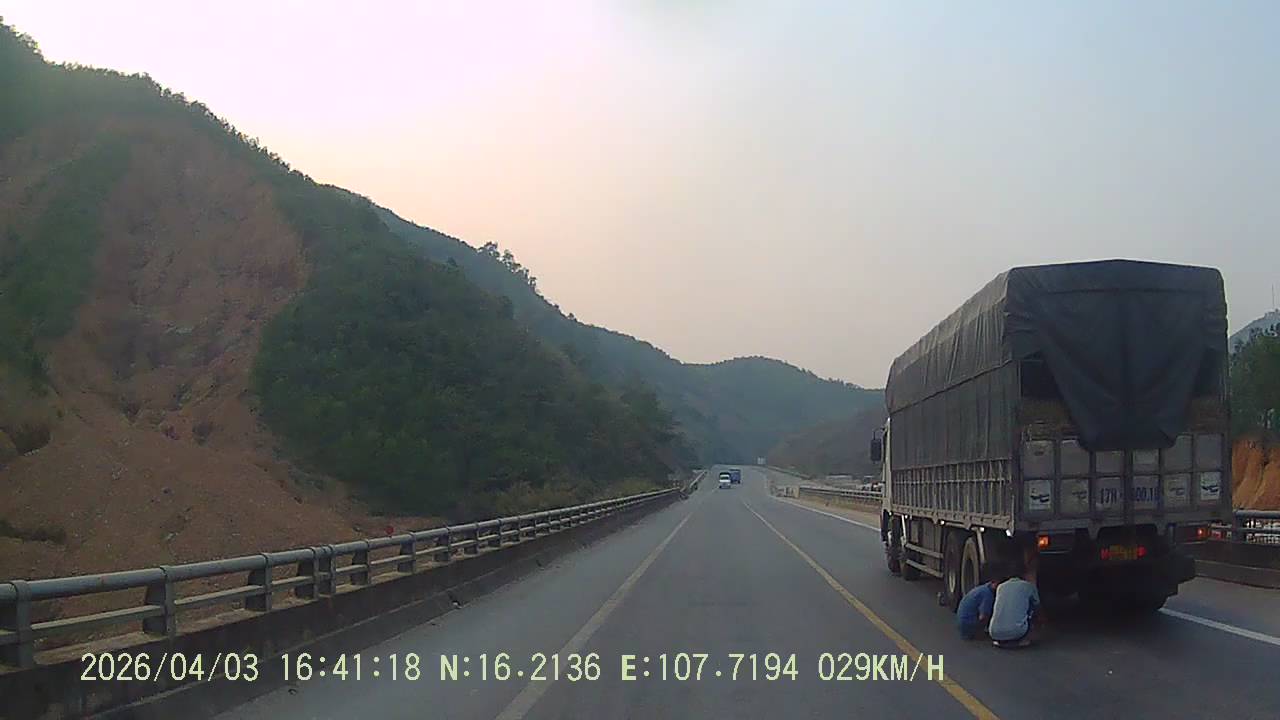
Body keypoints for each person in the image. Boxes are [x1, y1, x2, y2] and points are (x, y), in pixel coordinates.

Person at [989, 545, 1043, 648]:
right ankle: (1022, 638)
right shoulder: (1028, 586)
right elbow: (1038, 609)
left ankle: (1003, 638)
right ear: (1024, 574)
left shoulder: (1000, 587)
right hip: (1018, 631)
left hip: (994, 633)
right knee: (1032, 607)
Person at [956, 562, 1006, 640]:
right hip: (968, 625)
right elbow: (983, 616)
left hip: (962, 622)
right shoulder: (988, 595)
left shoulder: (983, 588)